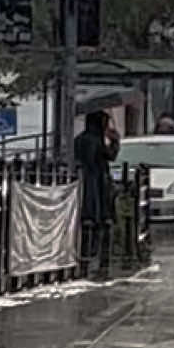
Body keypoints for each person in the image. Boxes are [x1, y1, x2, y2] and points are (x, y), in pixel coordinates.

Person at [74, 110, 118, 265]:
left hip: (86, 180)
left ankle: (89, 252)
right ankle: (94, 254)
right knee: (95, 218)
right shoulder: (95, 140)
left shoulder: (80, 139)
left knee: (90, 217)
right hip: (95, 181)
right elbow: (110, 156)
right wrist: (114, 141)